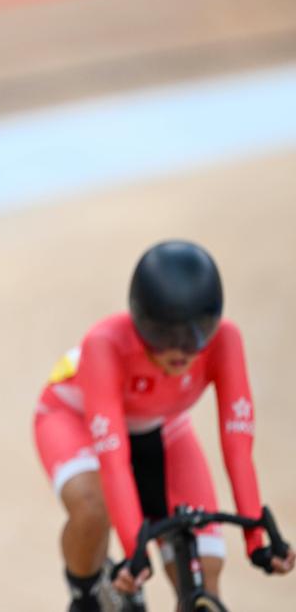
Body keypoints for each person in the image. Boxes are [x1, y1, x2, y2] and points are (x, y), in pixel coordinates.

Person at [33, 240, 296, 611]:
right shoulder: (104, 345)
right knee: (94, 506)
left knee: (206, 573)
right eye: (164, 335)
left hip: (161, 424)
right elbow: (114, 459)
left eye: (196, 334)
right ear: (140, 322)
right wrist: (133, 554)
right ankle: (87, 591)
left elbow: (237, 446)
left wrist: (257, 539)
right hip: (73, 419)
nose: (181, 351)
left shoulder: (226, 342)